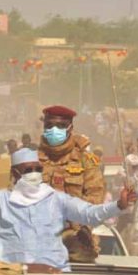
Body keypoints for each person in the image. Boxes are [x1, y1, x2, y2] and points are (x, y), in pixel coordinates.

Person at [0, 147, 136, 271]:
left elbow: (89, 214)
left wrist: (118, 205)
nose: (34, 173)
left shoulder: (55, 199)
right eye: (28, 170)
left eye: (37, 169)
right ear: (14, 174)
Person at [37, 105, 106, 262]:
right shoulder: (30, 160)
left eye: (60, 126)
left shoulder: (85, 161)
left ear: (70, 128)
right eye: (49, 126)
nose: (54, 130)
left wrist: (74, 224)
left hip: (75, 239)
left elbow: (95, 199)